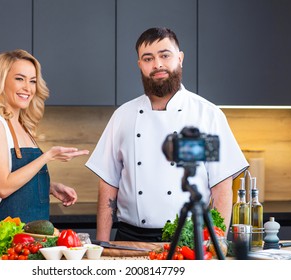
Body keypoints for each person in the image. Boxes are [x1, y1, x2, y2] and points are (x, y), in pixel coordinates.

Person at [85, 27, 248, 242]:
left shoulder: (206, 115)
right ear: (140, 65)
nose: (157, 64)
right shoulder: (123, 116)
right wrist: (103, 244)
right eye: (148, 58)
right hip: (129, 238)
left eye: (165, 55)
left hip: (189, 239)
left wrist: (217, 244)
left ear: (180, 58)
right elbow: (108, 184)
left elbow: (221, 186)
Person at [0, 49, 89, 224]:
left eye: (33, 81)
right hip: (8, 238)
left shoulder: (22, 124)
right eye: (19, 79)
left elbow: (20, 182)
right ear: (2, 81)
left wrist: (49, 188)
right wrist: (48, 156)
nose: (27, 88)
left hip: (33, 237)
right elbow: (3, 187)